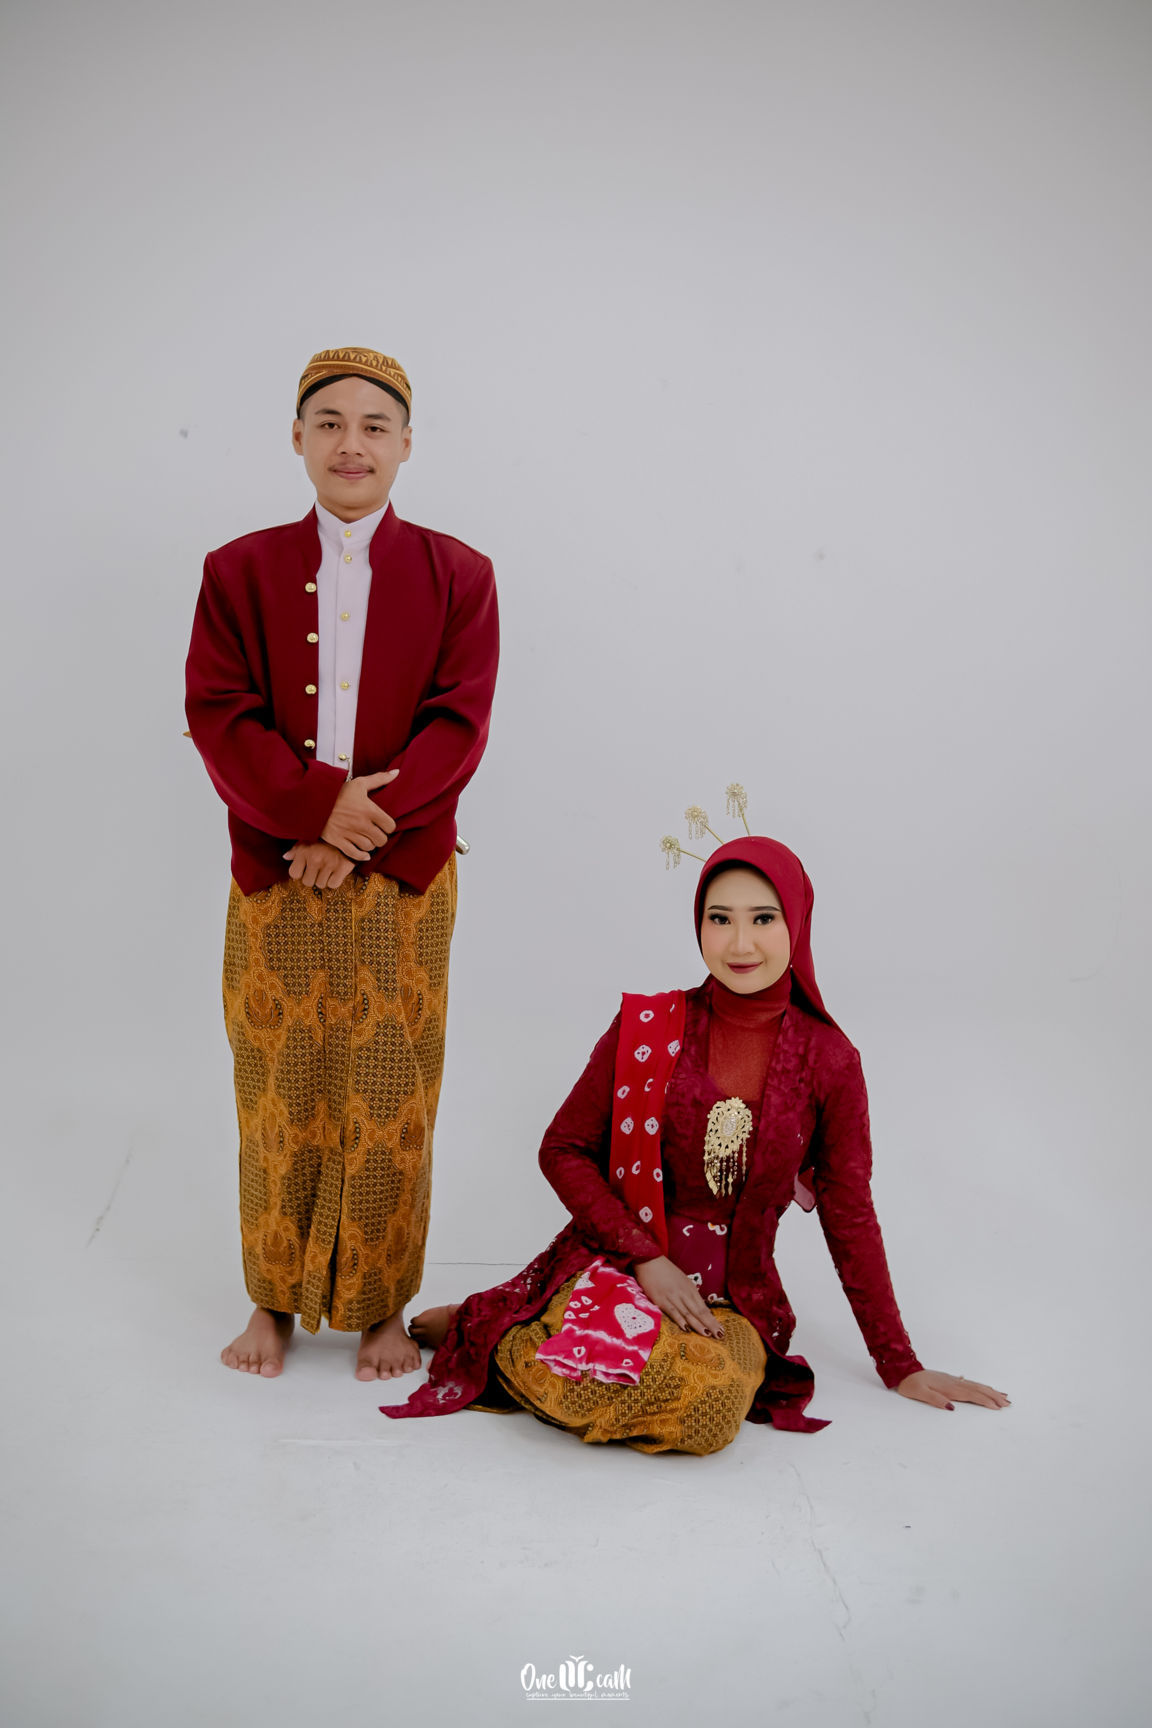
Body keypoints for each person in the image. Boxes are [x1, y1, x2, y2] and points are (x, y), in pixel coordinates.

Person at [385, 830, 1009, 1452]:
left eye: (763, 918)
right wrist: (645, 1258)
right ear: (698, 923)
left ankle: (492, 1325)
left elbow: (849, 1212)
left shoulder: (830, 1060)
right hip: (619, 1267)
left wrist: (899, 1363)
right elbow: (562, 1149)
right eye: (719, 918)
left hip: (733, 1304)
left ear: (797, 922)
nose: (740, 944)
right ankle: (491, 1331)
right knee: (579, 1381)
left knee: (708, 1414)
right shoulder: (649, 1027)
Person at [185, 346, 499, 1382]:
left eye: (374, 426)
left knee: (392, 1089)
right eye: (329, 423)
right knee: (276, 1086)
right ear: (297, 438)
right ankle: (271, 1298)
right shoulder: (237, 570)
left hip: (404, 878)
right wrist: (314, 811)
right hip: (276, 873)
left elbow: (459, 725)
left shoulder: (461, 575)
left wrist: (356, 827)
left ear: (406, 444)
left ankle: (380, 1305)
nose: (350, 444)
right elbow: (220, 714)